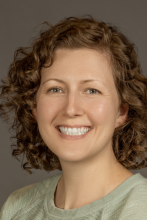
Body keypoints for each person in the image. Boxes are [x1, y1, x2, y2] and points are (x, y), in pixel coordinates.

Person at [0, 15, 147, 220]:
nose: (71, 109)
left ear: (121, 112)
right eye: (56, 89)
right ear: (33, 107)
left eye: (92, 91)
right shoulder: (17, 208)